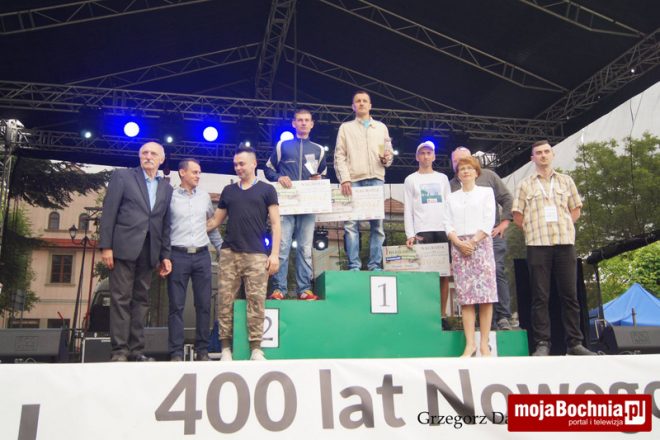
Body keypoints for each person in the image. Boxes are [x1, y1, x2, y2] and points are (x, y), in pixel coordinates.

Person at [512, 140, 596, 356]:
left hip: (564, 243)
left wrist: (564, 225)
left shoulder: (566, 181)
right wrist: (533, 229)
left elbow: (575, 210)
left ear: (552, 154)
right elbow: (518, 216)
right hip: (537, 244)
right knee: (540, 296)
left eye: (546, 152)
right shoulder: (525, 184)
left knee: (570, 295)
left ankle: (575, 343)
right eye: (538, 153)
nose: (543, 155)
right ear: (532, 158)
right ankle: (542, 343)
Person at [99, 141, 173, 362]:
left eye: (153, 153)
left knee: (141, 301)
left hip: (149, 250)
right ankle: (119, 350)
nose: (148, 156)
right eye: (144, 153)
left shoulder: (166, 187)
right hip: (123, 247)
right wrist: (106, 246)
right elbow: (109, 212)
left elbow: (165, 224)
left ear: (162, 159)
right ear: (139, 156)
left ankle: (136, 350)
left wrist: (165, 255)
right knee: (121, 298)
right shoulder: (123, 177)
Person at [207, 147, 281, 361]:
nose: (238, 167)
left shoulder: (267, 190)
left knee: (256, 301)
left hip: (257, 255)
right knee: (224, 301)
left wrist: (274, 254)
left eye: (242, 163)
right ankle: (225, 349)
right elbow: (215, 221)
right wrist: (189, 231)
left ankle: (256, 348)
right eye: (235, 164)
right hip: (229, 254)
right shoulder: (228, 191)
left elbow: (276, 224)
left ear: (254, 163)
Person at [265, 108, 327, 300]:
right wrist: (279, 177)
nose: (303, 123)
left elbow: (323, 175)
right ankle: (279, 289)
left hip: (308, 206)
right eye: (300, 120)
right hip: (285, 205)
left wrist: (318, 179)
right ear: (293, 123)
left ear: (312, 124)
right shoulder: (282, 146)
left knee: (305, 248)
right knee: (282, 246)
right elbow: (268, 169)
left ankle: (304, 289)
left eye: (307, 120)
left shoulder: (319, 150)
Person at [450, 147, 514, 331]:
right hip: (462, 241)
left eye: (465, 161)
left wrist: (504, 223)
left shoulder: (489, 176)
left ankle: (503, 316)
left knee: (496, 272)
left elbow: (507, 198)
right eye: (457, 162)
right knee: (469, 281)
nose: (462, 166)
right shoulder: (452, 185)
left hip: (489, 235)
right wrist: (458, 242)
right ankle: (483, 322)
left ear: (473, 162)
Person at [166, 158, 223, 362]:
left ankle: (202, 351)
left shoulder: (204, 197)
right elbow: (164, 228)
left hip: (202, 255)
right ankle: (176, 352)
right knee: (176, 306)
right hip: (177, 254)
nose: (198, 176)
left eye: (199, 172)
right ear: (182, 173)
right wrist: (164, 255)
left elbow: (211, 225)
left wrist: (221, 248)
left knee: (204, 304)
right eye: (195, 172)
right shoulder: (170, 197)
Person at [334, 90, 393, 271]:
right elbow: (339, 155)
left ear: (370, 105)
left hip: (376, 179)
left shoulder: (381, 127)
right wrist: (345, 179)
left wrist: (386, 159)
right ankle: (354, 265)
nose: (361, 103)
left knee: (378, 225)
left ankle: (375, 264)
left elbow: (388, 154)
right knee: (351, 224)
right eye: (358, 101)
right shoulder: (346, 128)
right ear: (353, 106)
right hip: (354, 180)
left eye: (364, 101)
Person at [445, 156, 497, 357]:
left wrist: (473, 242)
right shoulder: (451, 197)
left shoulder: (486, 192)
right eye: (462, 169)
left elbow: (488, 220)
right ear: (458, 174)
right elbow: (447, 223)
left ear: (476, 172)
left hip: (481, 244)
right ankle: (470, 344)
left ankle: (484, 344)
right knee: (466, 299)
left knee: (485, 297)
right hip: (459, 247)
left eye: (469, 168)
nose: (466, 171)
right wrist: (459, 243)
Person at [403, 141, 451, 325]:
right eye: (422, 153)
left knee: (443, 274)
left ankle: (442, 314)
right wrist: (410, 234)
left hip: (443, 229)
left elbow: (449, 205)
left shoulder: (442, 178)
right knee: (425, 273)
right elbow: (408, 208)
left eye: (429, 153)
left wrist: (451, 230)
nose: (425, 156)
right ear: (417, 157)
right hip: (422, 229)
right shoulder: (411, 179)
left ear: (434, 156)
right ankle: (426, 313)